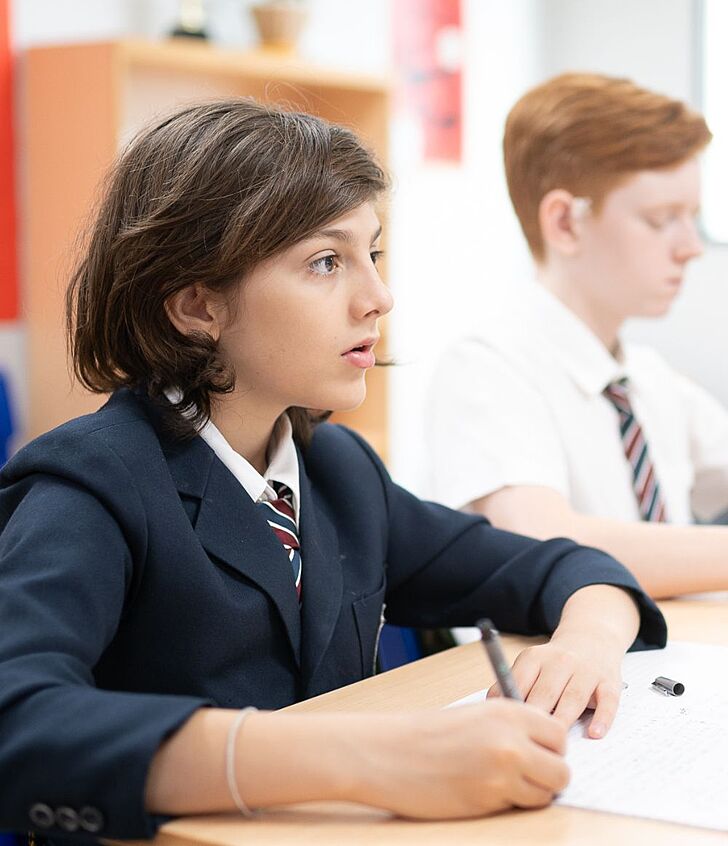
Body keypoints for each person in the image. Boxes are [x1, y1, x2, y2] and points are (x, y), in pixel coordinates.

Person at [0, 99, 664, 844]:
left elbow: (567, 568)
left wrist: (588, 641)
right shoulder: (90, 485)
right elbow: (17, 719)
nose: (378, 297)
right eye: (326, 262)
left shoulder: (337, 471)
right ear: (197, 305)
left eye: (372, 255)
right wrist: (365, 757)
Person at [428, 72, 728, 600]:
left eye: (693, 218)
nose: (691, 247)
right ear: (566, 222)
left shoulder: (648, 379)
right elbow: (544, 541)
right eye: (661, 219)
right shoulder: (487, 370)